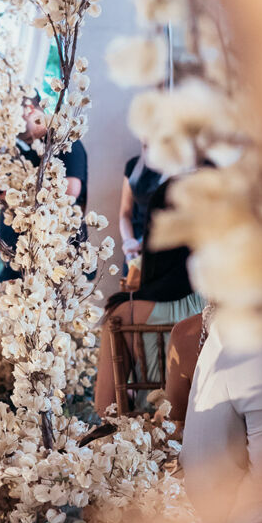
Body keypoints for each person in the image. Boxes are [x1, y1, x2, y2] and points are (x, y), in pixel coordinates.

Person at [94, 176, 206, 413]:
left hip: (148, 431)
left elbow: (105, 407)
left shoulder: (124, 312)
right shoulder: (221, 304)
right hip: (214, 426)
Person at [0, 94, 88, 283]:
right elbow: (0, 196)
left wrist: (17, 195)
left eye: (9, 117)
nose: (7, 125)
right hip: (16, 262)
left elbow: (70, 190)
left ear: (29, 108)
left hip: (55, 257)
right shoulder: (20, 154)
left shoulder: (64, 143)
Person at [118, 146, 162, 281]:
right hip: (136, 248)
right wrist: (129, 242)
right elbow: (125, 213)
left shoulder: (180, 169)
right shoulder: (133, 166)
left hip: (164, 247)